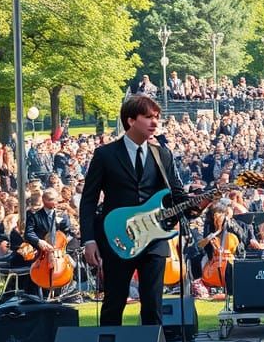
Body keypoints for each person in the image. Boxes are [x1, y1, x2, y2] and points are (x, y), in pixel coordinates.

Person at [81, 95, 200, 327]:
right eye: (148, 117)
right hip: (118, 237)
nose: (155, 122)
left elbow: (178, 197)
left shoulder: (162, 154)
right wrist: (89, 240)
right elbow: (88, 201)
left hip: (154, 239)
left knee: (153, 304)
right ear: (130, 120)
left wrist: (202, 201)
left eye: (157, 117)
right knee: (114, 302)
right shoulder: (105, 155)